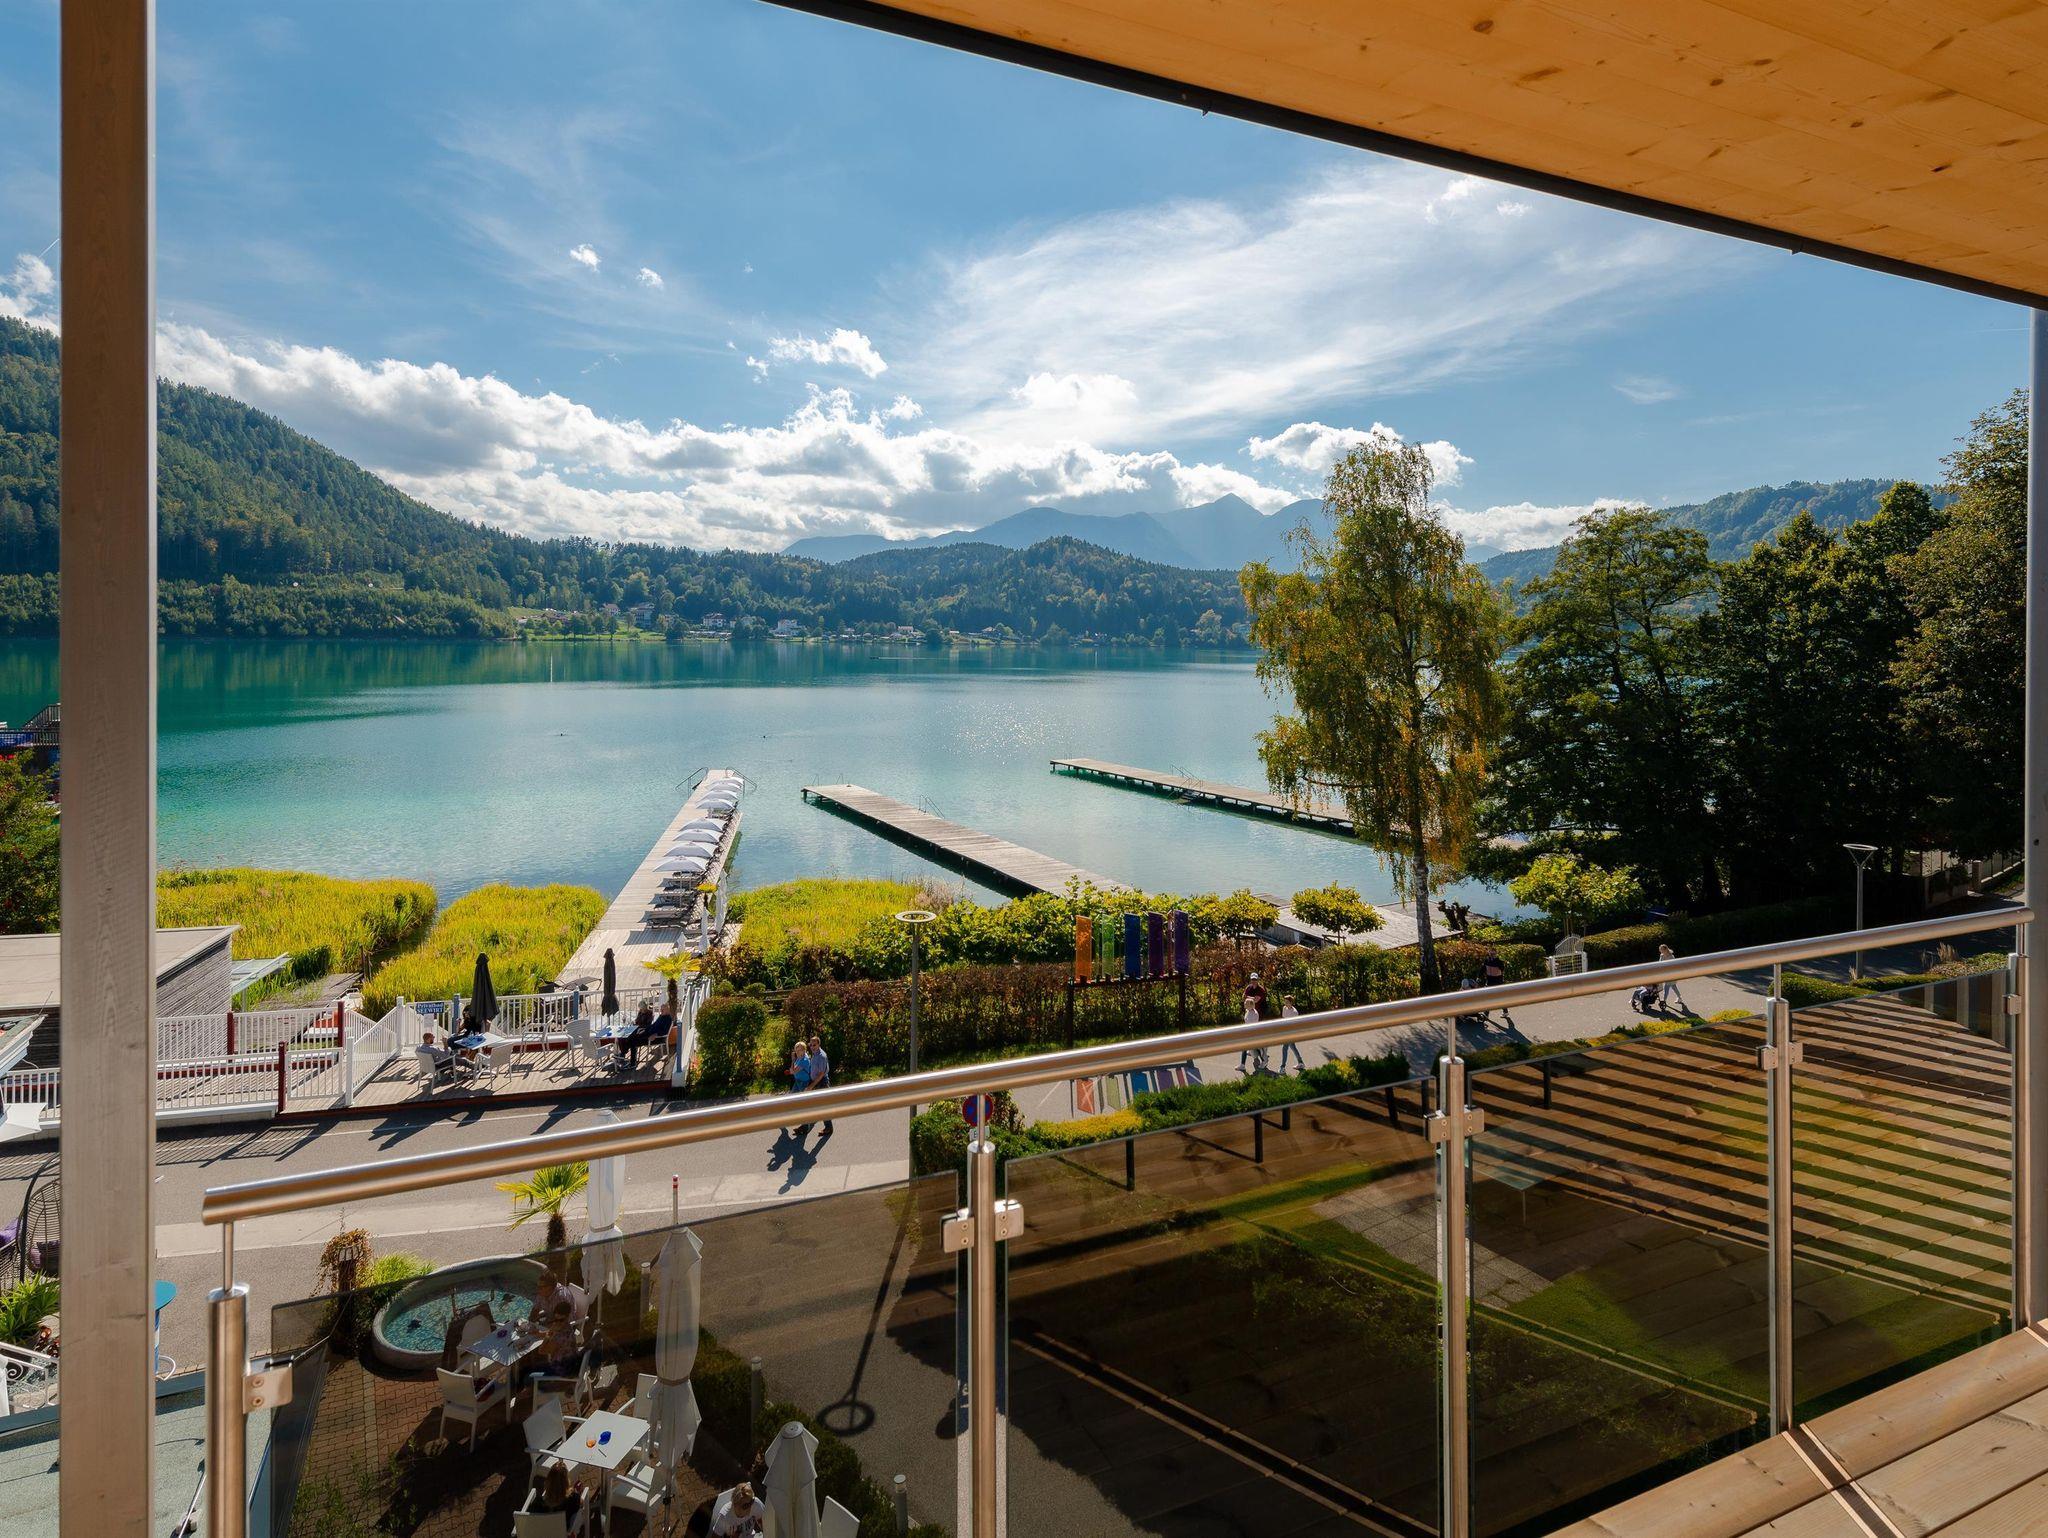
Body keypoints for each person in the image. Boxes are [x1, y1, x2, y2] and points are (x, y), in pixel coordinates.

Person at [528, 1462, 589, 1534]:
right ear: (566, 1481)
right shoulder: (573, 1498)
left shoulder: (537, 1504)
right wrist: (575, 1492)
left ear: (548, 1481)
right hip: (561, 1533)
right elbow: (581, 1505)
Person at [1237, 973, 1268, 1072]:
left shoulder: (1261, 990)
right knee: (1246, 1046)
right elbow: (1244, 997)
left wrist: (1249, 998)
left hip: (1259, 1017)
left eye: (1255, 979)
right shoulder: (1249, 988)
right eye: (1252, 979)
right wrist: (1250, 998)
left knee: (1256, 1045)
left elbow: (1256, 1000)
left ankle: (1264, 1058)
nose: (1253, 981)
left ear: (1257, 980)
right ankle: (1243, 1064)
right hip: (1249, 1026)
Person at [807, 1033, 833, 1132]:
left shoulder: (822, 1056)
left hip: (821, 1082)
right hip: (814, 1080)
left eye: (814, 1045)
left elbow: (821, 1074)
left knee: (823, 1106)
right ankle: (808, 1123)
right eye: (811, 1045)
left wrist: (811, 1085)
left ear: (819, 1044)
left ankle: (828, 1128)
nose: (812, 1047)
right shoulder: (815, 1053)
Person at [1276, 994, 1305, 1072]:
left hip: (1291, 1032)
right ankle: (1301, 1063)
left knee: (1284, 1048)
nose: (1285, 1003)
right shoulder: (1284, 1008)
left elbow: (1295, 1025)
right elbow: (1284, 1019)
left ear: (1291, 1002)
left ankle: (1282, 1067)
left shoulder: (1294, 1012)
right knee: (1293, 1047)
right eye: (1285, 1002)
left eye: (1287, 1002)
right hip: (1286, 1031)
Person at [1657, 943, 1688, 1013]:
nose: (1660, 951)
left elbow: (1674, 966)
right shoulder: (1662, 955)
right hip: (1666, 974)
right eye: (1660, 950)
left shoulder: (1671, 956)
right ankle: (1679, 998)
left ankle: (1664, 1001)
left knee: (1666, 987)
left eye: (1661, 949)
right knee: (1674, 987)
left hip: (1671, 974)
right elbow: (1659, 964)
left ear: (1665, 949)